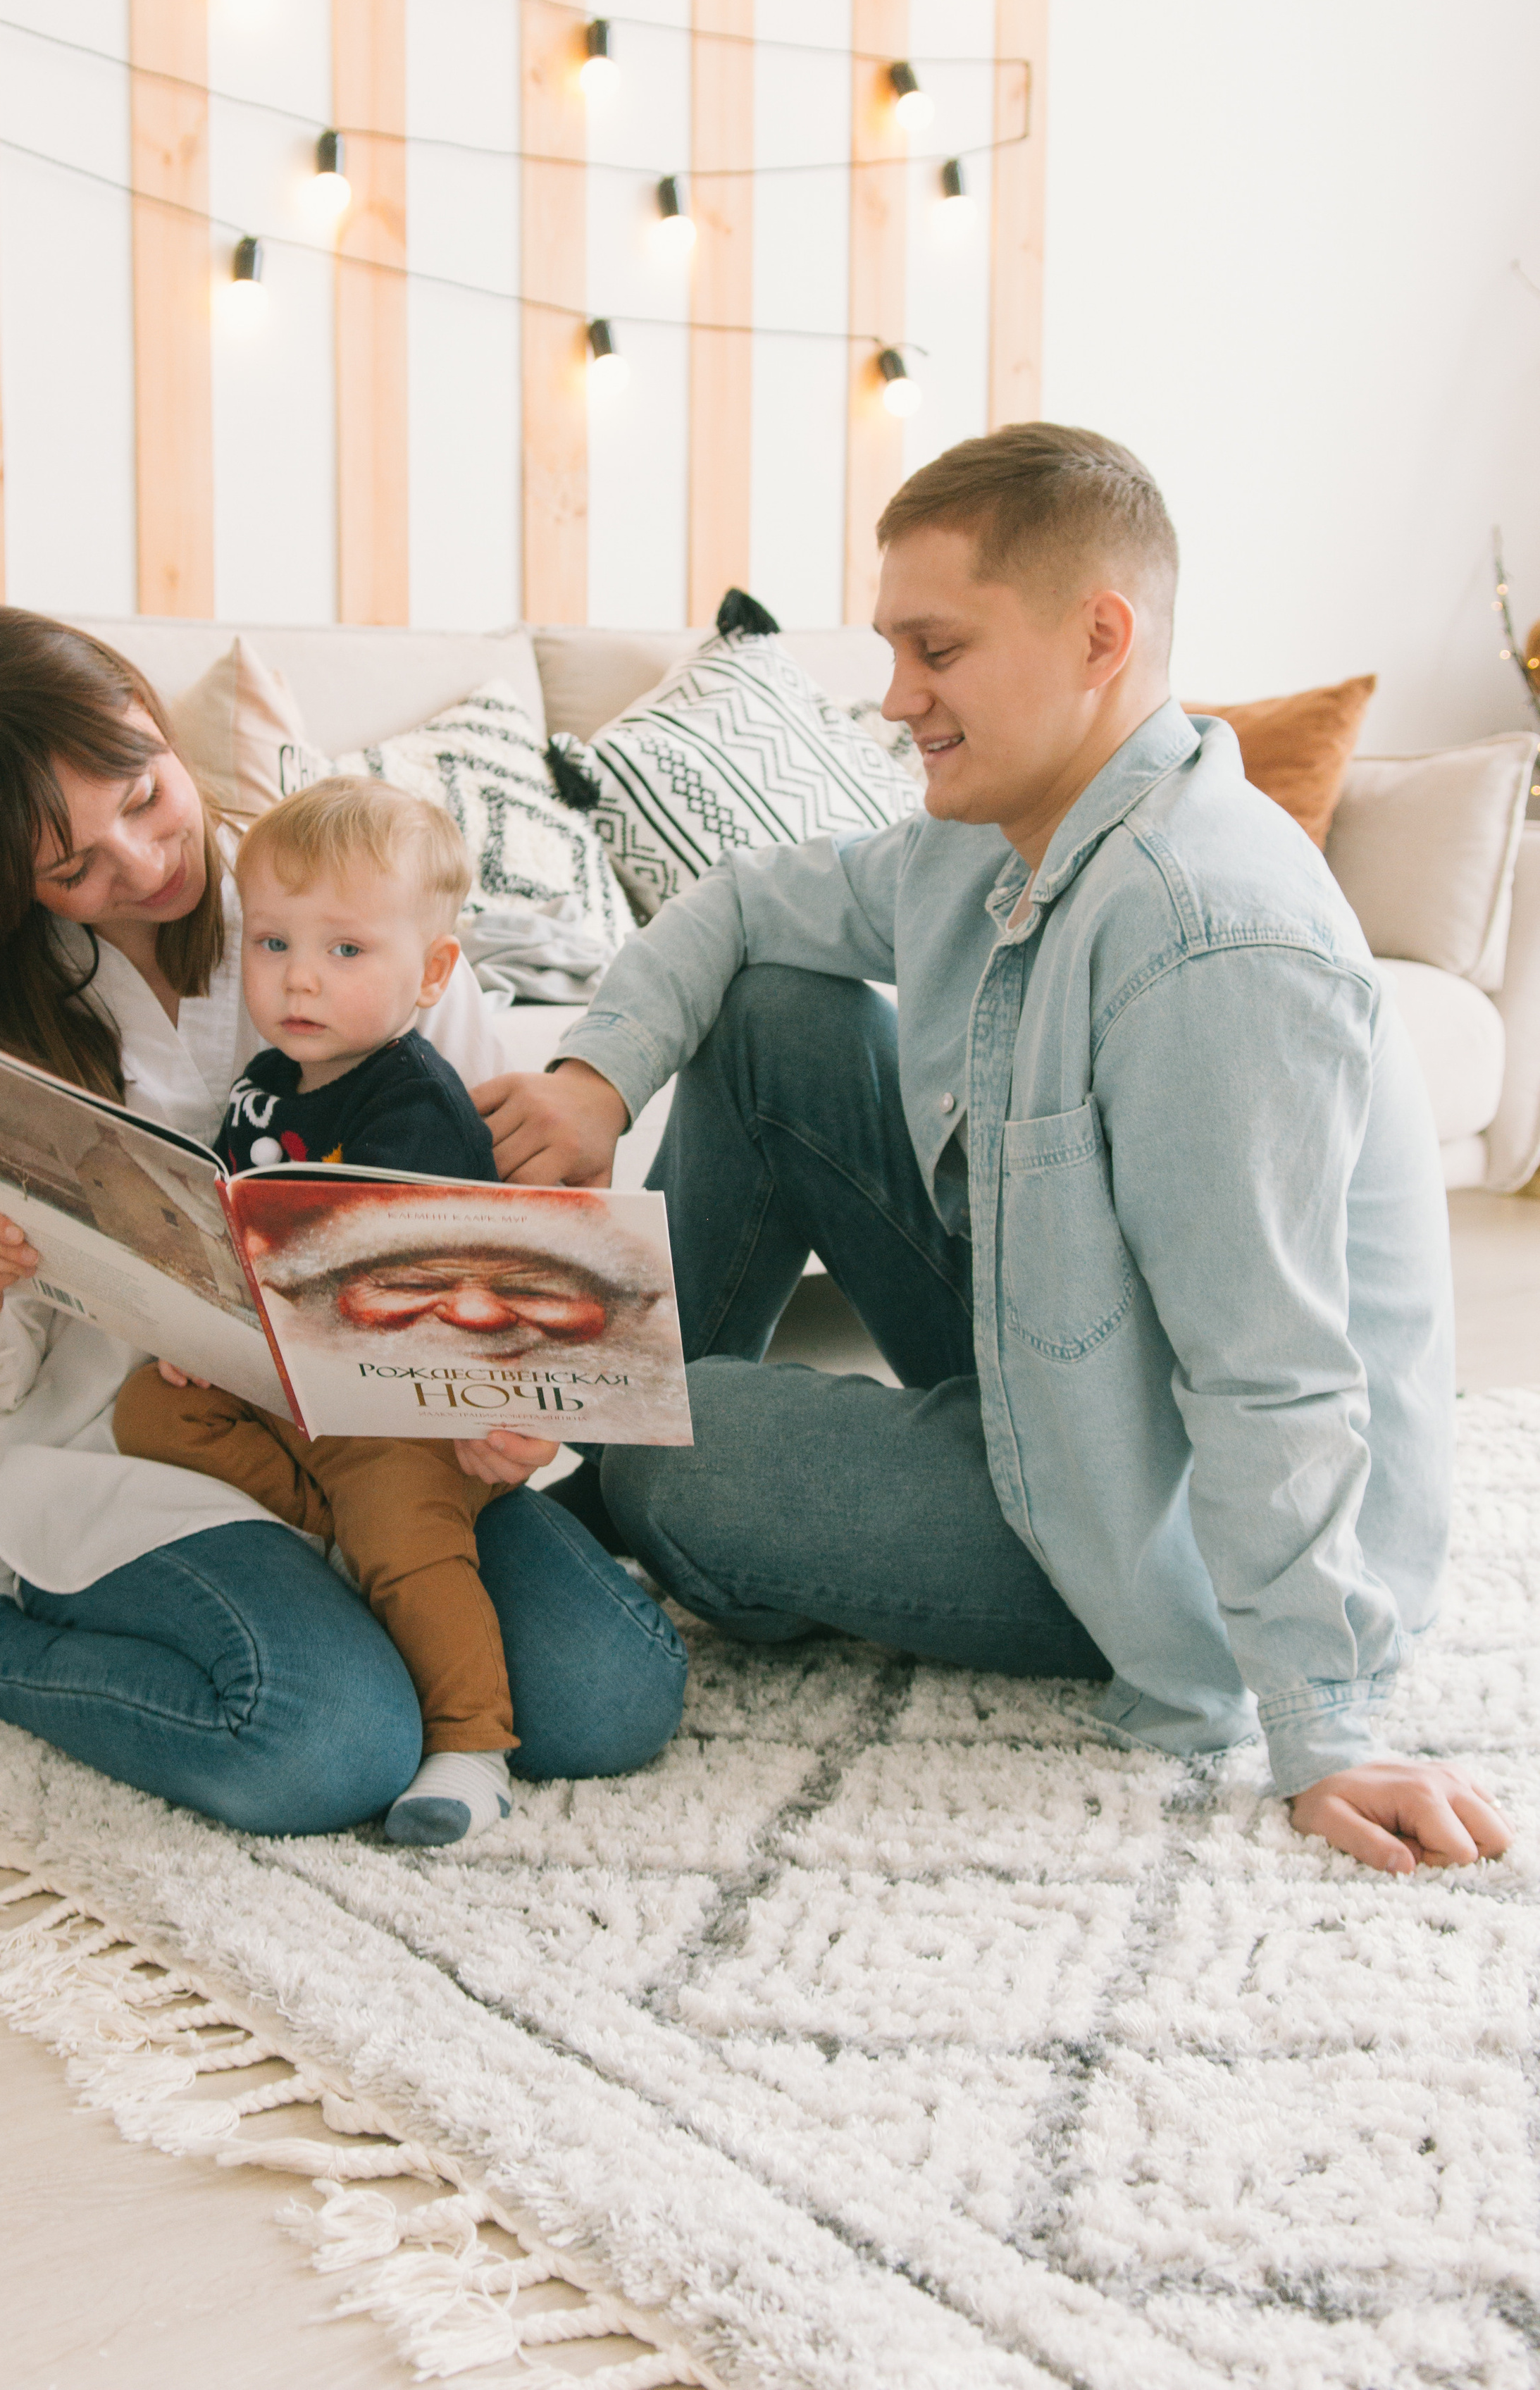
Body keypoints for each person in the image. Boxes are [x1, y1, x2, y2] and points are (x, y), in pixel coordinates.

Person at [473, 423, 1512, 1880]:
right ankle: (591, 1443)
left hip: (1166, 1533)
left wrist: (1322, 1726)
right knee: (774, 1013)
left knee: (686, 1453)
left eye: (934, 649)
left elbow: (1271, 1369)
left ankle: (621, 1473)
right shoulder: (997, 832)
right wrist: (593, 1075)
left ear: (1098, 638)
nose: (894, 699)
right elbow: (747, 901)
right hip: (1060, 1377)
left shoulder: (1205, 937)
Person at [0, 606, 685, 1836]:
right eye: (71, 866)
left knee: (612, 1699)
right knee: (325, 1746)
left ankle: (348, 1596)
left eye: (144, 792)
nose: (140, 863)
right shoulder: (0, 1017)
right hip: (142, 1446)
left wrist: (513, 1411)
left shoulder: (336, 896)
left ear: (156, 718)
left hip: (384, 1434)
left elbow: (477, 1237)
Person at [112, 775, 541, 1848]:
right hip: (281, 1384)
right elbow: (226, 1224)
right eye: (273, 945)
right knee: (146, 1415)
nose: (300, 978)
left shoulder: (417, 1103)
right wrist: (198, 1325)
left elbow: (437, 1284)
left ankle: (472, 1748)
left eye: (346, 951)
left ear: (432, 973)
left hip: (390, 1402)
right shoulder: (265, 1083)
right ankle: (328, 1532)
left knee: (408, 1527)